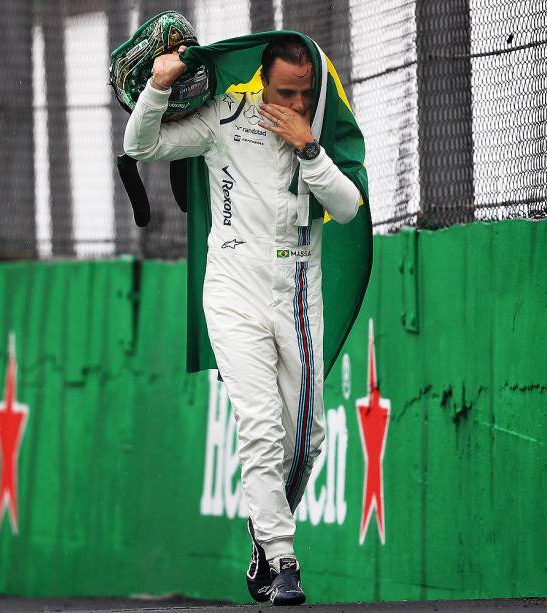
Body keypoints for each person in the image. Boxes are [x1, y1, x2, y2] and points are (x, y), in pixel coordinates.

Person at [123, 35, 361, 606]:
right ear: (262, 79)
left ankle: (262, 533)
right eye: (285, 92)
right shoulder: (225, 118)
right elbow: (140, 144)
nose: (296, 103)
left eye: (305, 93)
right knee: (260, 427)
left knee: (306, 440)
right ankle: (283, 560)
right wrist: (158, 84)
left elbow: (349, 206)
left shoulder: (322, 129)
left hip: (300, 291)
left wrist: (309, 148)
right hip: (233, 287)